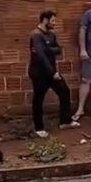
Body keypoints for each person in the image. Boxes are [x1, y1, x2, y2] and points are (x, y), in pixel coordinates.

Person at [28, 10, 72, 138]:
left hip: (51, 72)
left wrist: (47, 48)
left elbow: (58, 49)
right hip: (39, 73)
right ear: (45, 20)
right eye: (52, 20)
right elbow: (41, 56)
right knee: (38, 99)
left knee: (64, 91)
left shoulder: (51, 35)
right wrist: (52, 72)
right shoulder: (36, 35)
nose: (54, 23)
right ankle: (39, 128)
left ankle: (65, 121)